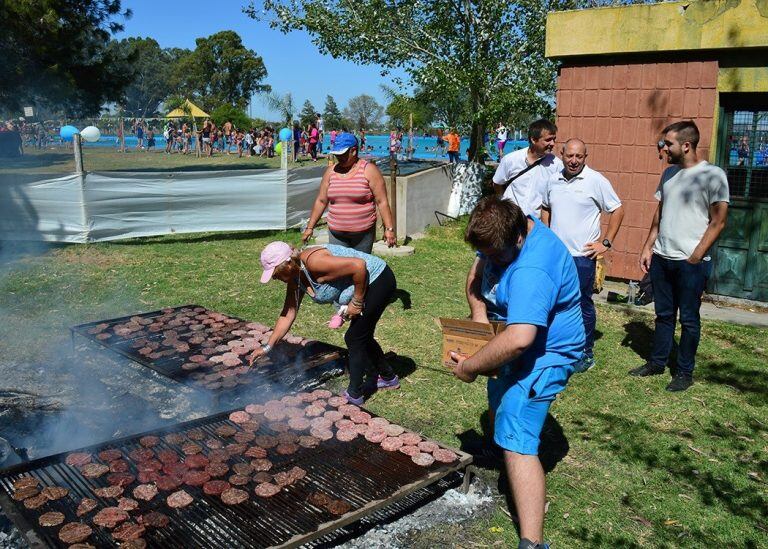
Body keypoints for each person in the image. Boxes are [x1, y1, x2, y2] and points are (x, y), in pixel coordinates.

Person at [449, 196, 584, 549]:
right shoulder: (505, 227)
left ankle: (533, 542)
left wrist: (470, 366)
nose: (490, 260)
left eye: (498, 255)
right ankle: (497, 448)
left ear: (519, 240)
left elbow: (521, 339)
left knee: (518, 435)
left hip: (547, 352)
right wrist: (479, 317)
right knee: (499, 393)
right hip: (514, 337)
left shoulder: (532, 270)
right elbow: (477, 270)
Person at [633, 120, 729, 391]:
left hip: (690, 263)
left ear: (686, 145)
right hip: (662, 258)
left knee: (688, 319)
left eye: (669, 143)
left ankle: (684, 372)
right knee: (663, 315)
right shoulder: (668, 174)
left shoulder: (713, 175)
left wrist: (696, 256)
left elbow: (719, 221)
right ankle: (657, 362)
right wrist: (648, 246)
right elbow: (660, 212)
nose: (664, 148)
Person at [250, 241, 400, 404]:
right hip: (364, 283)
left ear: (286, 264)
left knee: (354, 337)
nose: (274, 278)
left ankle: (355, 394)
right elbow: (288, 314)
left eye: (274, 273)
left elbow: (359, 266)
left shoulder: (314, 261)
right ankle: (388, 377)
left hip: (377, 279)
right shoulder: (295, 278)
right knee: (361, 334)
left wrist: (356, 302)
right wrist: (267, 347)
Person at [541, 138, 624, 372]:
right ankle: (555, 346)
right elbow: (546, 207)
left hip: (581, 258)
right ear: (562, 154)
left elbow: (618, 209)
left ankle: (585, 352)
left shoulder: (596, 181)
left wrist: (605, 243)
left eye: (579, 156)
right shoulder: (553, 179)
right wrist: (547, 236)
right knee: (553, 303)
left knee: (580, 305)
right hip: (556, 257)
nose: (574, 161)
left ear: (585, 157)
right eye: (570, 156)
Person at [302, 132, 397, 253]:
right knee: (339, 269)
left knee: (361, 267)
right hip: (336, 233)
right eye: (337, 154)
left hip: (363, 234)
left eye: (343, 154)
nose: (339, 158)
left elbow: (382, 201)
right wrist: (310, 227)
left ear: (353, 151)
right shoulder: (330, 172)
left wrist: (389, 229)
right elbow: (321, 201)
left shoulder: (369, 170)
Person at [493, 119, 563, 218]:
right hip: (510, 219)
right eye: (548, 140)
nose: (552, 144)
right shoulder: (511, 160)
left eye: (553, 139)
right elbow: (497, 183)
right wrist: (504, 204)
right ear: (533, 140)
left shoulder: (557, 165)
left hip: (536, 224)